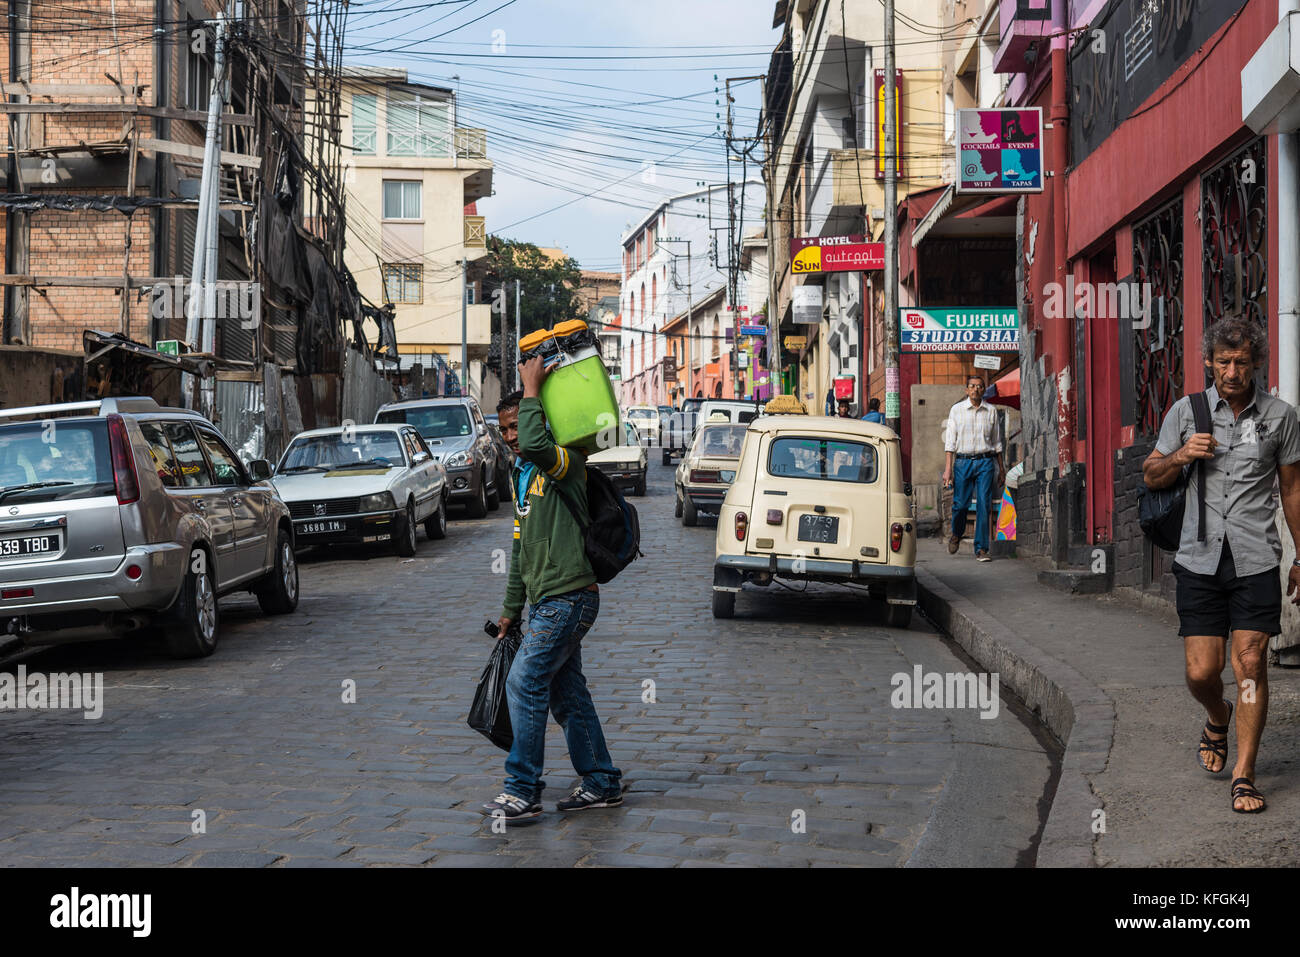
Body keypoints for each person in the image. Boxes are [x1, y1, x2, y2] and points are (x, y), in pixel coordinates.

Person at [1142, 316, 1300, 814]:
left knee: (1251, 662)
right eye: (1224, 361)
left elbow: (1292, 489)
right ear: (1209, 361)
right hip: (1199, 558)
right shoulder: (1186, 413)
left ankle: (1245, 773)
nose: (1233, 371)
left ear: (1256, 364)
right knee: (1201, 671)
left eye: (1243, 362)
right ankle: (1218, 714)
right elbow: (1150, 474)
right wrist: (1182, 455)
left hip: (1256, 559)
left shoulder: (1280, 416)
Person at [483, 362, 623, 823]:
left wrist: (531, 389)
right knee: (567, 697)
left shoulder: (566, 463)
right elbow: (519, 549)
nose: (510, 436)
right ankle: (601, 781)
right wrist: (510, 611)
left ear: (538, 421)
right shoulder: (522, 476)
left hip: (571, 599)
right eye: (504, 429)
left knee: (523, 682)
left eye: (517, 425)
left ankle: (522, 789)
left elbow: (539, 443)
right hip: (546, 603)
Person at [942, 375, 1003, 562]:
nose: (976, 389)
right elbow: (950, 442)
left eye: (980, 386)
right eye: (972, 386)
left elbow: (997, 442)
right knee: (960, 504)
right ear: (966, 390)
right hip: (963, 462)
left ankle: (981, 549)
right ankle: (956, 534)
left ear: (984, 390)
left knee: (984, 504)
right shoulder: (957, 410)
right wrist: (948, 470)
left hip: (985, 462)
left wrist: (1002, 468)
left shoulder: (991, 411)